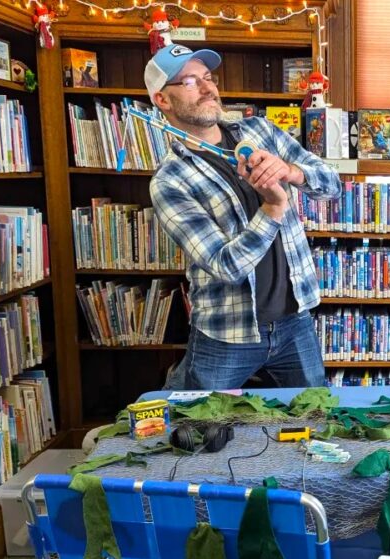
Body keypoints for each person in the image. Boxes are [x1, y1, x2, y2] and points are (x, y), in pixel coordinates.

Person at [144, 44, 341, 390]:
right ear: (162, 100)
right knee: (203, 420)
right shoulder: (170, 181)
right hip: (226, 332)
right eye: (189, 82)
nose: (207, 88)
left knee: (315, 415)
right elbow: (226, 266)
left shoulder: (261, 131)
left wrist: (291, 171)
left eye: (208, 78)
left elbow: (331, 185)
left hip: (295, 322)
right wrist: (273, 207)